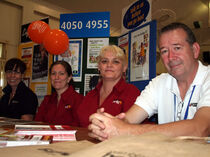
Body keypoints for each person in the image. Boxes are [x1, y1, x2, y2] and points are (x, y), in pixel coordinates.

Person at [88, 22, 210, 141]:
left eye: (177, 48)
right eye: (164, 51)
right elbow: (128, 120)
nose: (171, 57)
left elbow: (201, 128)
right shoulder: (159, 82)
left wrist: (126, 130)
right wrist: (106, 126)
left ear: (195, 50)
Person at [77, 45, 140, 127]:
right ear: (99, 67)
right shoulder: (90, 96)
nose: (109, 65)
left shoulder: (132, 93)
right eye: (104, 61)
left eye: (116, 61)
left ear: (124, 68)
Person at [35, 60, 83, 126]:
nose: (56, 77)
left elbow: (81, 127)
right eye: (53, 73)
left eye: (61, 74)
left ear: (69, 78)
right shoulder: (47, 100)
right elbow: (37, 124)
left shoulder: (79, 100)